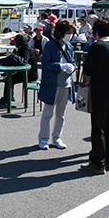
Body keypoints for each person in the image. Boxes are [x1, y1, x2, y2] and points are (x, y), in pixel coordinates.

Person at [80, 18, 109, 174]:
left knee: (98, 128)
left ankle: (97, 162)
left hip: (101, 92)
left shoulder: (96, 47)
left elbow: (88, 73)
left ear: (96, 33)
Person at [37, 20, 76, 150]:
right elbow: (46, 64)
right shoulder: (50, 45)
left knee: (61, 113)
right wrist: (61, 66)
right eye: (68, 33)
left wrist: (73, 68)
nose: (70, 35)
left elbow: (73, 62)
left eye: (71, 33)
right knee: (48, 112)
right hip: (52, 84)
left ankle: (57, 138)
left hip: (66, 84)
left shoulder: (69, 46)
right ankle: (43, 139)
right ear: (60, 33)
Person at [0, 33, 38, 105]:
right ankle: (10, 96)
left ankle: (7, 98)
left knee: (10, 79)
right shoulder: (21, 49)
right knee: (10, 78)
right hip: (25, 72)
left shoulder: (25, 50)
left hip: (30, 74)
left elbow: (24, 62)